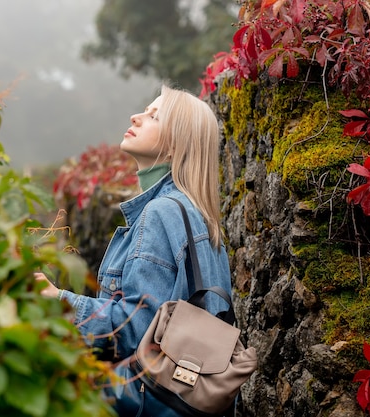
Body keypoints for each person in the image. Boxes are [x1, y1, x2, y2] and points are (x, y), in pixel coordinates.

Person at [35, 84, 232, 417]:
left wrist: (58, 300)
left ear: (175, 144)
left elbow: (136, 328)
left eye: (154, 116)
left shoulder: (161, 213)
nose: (136, 117)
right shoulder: (197, 214)